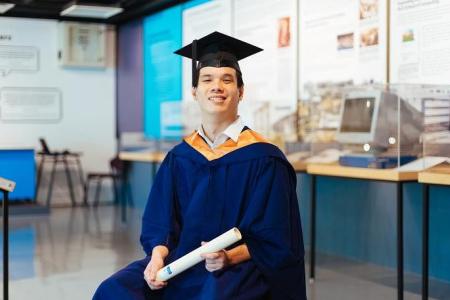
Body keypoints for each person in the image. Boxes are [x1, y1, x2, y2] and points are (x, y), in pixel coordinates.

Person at [93, 31, 306, 300]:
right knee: (114, 290)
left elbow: (277, 237)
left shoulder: (264, 158)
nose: (216, 86)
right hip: (180, 263)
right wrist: (157, 258)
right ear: (195, 92)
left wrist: (229, 256)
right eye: (207, 79)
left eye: (226, 79)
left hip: (237, 266)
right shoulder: (180, 157)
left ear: (240, 92)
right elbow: (161, 222)